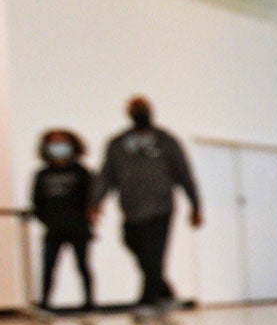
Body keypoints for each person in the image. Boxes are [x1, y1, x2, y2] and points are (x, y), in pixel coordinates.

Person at [91, 96, 201, 310]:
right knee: (132, 243)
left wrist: (195, 206)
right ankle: (165, 292)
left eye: (142, 108)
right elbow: (106, 175)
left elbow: (184, 174)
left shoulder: (166, 141)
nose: (139, 111)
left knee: (154, 252)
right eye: (135, 108)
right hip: (131, 208)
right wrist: (96, 202)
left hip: (161, 207)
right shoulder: (117, 144)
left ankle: (148, 298)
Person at [30, 129, 94, 312]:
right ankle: (45, 303)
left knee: (82, 265)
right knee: (48, 267)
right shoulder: (42, 174)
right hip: (53, 228)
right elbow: (36, 202)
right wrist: (47, 220)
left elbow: (91, 198)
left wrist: (87, 218)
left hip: (78, 227)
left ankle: (89, 302)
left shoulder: (81, 172)